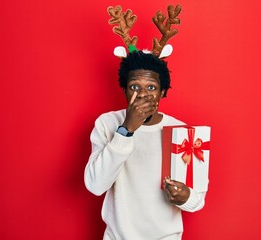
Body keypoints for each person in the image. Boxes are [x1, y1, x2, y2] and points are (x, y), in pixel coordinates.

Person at [84, 51, 207, 240]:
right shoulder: (107, 123)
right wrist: (126, 130)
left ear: (163, 92)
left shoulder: (181, 132)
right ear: (124, 90)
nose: (142, 94)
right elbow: (95, 185)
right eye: (134, 86)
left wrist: (187, 197)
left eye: (151, 87)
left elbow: (198, 199)